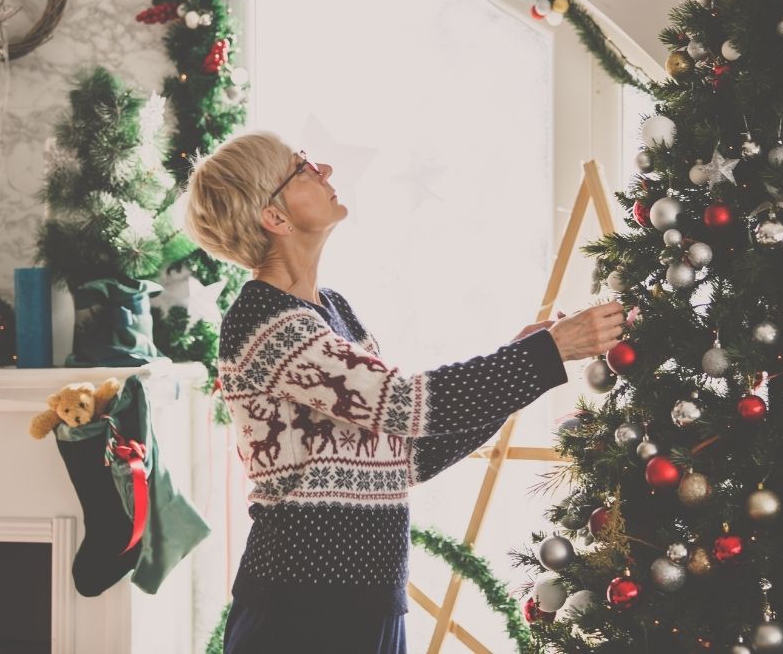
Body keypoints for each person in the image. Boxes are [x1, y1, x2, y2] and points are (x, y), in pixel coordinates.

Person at [183, 130, 625, 653]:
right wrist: (546, 353)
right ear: (274, 218)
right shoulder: (265, 321)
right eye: (300, 167)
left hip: (369, 599)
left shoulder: (334, 311)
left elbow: (405, 454)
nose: (322, 167)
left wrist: (525, 362)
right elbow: (404, 403)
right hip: (302, 608)